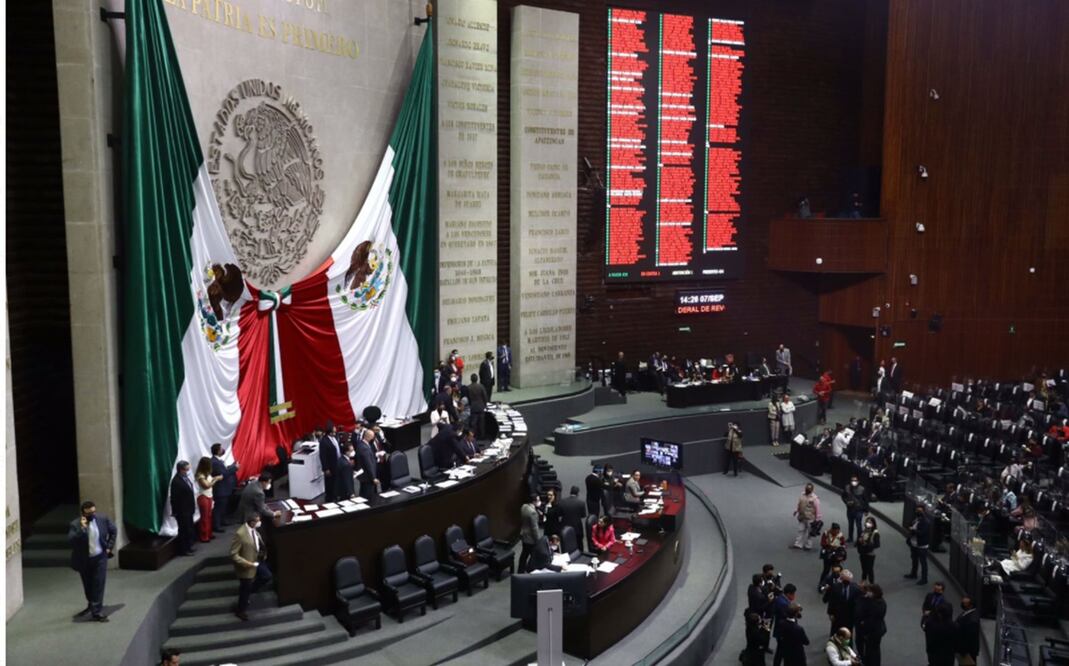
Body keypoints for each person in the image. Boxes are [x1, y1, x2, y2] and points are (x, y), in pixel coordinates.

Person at [67, 501, 117, 622]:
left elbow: (113, 530)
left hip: (100, 557)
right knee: (88, 585)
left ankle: (97, 611)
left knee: (98, 584)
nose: (92, 515)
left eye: (94, 512)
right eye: (89, 513)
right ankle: (92, 605)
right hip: (84, 559)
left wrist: (109, 547)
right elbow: (71, 541)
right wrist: (83, 529)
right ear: (83, 513)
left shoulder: (102, 519)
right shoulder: (75, 524)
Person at [230, 512, 273, 621]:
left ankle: (251, 591)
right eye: (258, 521)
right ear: (252, 522)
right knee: (245, 589)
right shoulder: (240, 534)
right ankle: (240, 611)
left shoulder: (254, 530)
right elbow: (233, 554)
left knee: (266, 576)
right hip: (247, 565)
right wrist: (246, 563)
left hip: (257, 560)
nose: (259, 522)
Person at [209, 443, 239, 532]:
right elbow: (224, 475)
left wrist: (231, 466)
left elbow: (224, 471)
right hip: (220, 489)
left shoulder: (218, 461)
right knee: (219, 508)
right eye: (221, 448)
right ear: (218, 451)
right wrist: (235, 468)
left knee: (223, 506)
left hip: (224, 489)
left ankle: (222, 521)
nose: (223, 449)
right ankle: (217, 526)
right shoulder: (215, 462)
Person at [854, 583, 886, 666]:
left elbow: (871, 620)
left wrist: (863, 624)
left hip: (873, 631)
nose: (867, 593)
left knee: (872, 651)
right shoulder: (881, 601)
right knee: (873, 650)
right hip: (877, 630)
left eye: (869, 591)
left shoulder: (876, 605)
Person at [170, 460, 197, 556]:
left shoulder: (186, 478)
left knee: (189, 529)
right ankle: (184, 550)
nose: (188, 471)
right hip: (182, 511)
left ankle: (189, 547)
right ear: (180, 470)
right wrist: (175, 511)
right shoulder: (176, 481)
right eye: (186, 469)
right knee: (184, 530)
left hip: (189, 509)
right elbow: (174, 498)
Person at [194, 457, 223, 543]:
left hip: (209, 496)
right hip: (203, 497)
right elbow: (206, 486)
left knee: (209, 516)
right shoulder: (200, 475)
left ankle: (209, 533)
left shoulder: (206, 473)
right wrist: (216, 479)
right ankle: (204, 536)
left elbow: (209, 482)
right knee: (204, 517)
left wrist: (215, 478)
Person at [823, 569, 859, 635]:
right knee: (835, 632)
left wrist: (856, 616)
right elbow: (832, 601)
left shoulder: (855, 588)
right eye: (844, 580)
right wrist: (830, 613)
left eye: (848, 581)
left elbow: (857, 603)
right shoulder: (835, 587)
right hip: (837, 615)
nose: (846, 583)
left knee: (848, 633)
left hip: (849, 616)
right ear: (841, 579)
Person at [770, 583, 798, 666]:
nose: (794, 596)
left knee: (781, 650)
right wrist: (794, 611)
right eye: (793, 594)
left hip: (780, 629)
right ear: (789, 594)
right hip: (783, 632)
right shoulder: (783, 604)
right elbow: (787, 616)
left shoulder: (781, 599)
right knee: (781, 651)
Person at [905, 506, 931, 584]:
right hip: (914, 543)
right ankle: (913, 574)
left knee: (923, 563)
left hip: (922, 545)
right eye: (917, 510)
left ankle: (924, 579)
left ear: (924, 511)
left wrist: (913, 530)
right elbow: (910, 525)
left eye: (920, 511)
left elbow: (922, 533)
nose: (917, 512)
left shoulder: (926, 522)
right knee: (914, 560)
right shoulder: (916, 519)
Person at [793, 484, 822, 550]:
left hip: (810, 518)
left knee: (810, 532)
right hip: (802, 516)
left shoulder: (815, 498)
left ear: (812, 490)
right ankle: (798, 544)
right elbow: (799, 504)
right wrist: (796, 510)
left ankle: (808, 546)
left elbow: (818, 509)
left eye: (809, 489)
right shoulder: (802, 495)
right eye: (806, 488)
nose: (807, 490)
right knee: (800, 530)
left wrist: (817, 519)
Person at [558, 485, 588, 550]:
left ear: (570, 492)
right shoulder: (581, 503)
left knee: (566, 545)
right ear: (578, 493)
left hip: (565, 526)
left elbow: (559, 514)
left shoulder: (562, 502)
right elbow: (583, 515)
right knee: (579, 544)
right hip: (577, 527)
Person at [518, 494, 542, 572]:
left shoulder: (524, 506)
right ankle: (531, 570)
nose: (539, 502)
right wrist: (537, 540)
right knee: (534, 555)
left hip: (524, 534)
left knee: (524, 554)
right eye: (538, 500)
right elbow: (534, 528)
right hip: (530, 538)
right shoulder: (533, 513)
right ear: (534, 501)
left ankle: (520, 570)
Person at [841, 475, 868, 543]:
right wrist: (846, 502)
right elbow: (843, 496)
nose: (853, 482)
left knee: (858, 525)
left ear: (858, 481)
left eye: (855, 480)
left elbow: (866, 500)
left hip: (859, 510)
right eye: (852, 480)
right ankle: (850, 538)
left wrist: (866, 510)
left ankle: (859, 539)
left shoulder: (862, 489)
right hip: (850, 509)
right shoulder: (847, 487)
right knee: (850, 524)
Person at [819, 524, 847, 590]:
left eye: (838, 531)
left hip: (836, 556)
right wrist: (829, 545)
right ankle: (821, 584)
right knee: (826, 571)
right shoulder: (826, 534)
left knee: (836, 571)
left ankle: (835, 586)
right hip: (828, 555)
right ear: (832, 529)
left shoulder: (840, 535)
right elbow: (822, 543)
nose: (836, 532)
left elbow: (843, 544)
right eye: (835, 531)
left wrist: (840, 548)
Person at [318, 422, 342, 502]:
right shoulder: (324, 441)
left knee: (336, 482)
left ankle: (335, 495)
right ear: (329, 431)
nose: (335, 433)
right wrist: (326, 468)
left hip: (337, 463)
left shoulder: (335, 438)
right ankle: (329, 498)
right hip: (330, 466)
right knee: (330, 483)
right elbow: (323, 456)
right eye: (333, 432)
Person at [355, 429, 381, 500]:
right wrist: (373, 478)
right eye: (372, 437)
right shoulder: (364, 448)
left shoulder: (361, 444)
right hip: (367, 477)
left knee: (363, 493)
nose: (373, 439)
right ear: (368, 437)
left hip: (364, 475)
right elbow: (368, 464)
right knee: (367, 496)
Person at [954, 597, 980, 666]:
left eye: (964, 603)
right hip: (964, 651)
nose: (962, 604)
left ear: (970, 605)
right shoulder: (967, 613)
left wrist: (962, 651)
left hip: (967, 653)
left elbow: (969, 639)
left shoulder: (972, 621)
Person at [855, 517, 881, 583]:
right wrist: (859, 541)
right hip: (862, 553)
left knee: (869, 570)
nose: (868, 524)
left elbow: (877, 544)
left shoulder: (875, 533)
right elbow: (858, 541)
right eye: (867, 522)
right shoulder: (864, 531)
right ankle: (863, 583)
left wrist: (866, 544)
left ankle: (872, 584)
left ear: (873, 524)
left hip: (870, 554)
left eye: (870, 522)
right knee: (864, 569)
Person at [467, 373, 488, 438]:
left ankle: (473, 436)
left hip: (473, 407)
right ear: (477, 379)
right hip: (481, 406)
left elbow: (468, 398)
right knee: (481, 422)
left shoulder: (468, 387)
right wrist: (485, 404)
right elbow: (485, 396)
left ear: (471, 379)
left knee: (473, 423)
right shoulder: (481, 386)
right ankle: (482, 436)